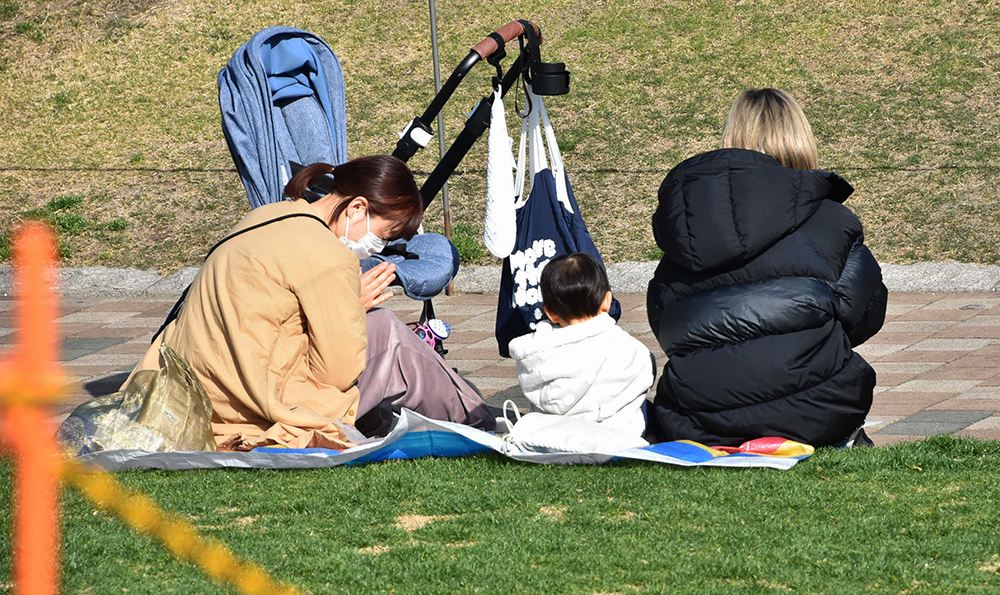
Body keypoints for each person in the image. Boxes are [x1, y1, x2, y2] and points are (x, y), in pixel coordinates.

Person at [128, 155, 494, 450]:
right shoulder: (329, 256)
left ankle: (453, 416)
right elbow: (337, 373)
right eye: (384, 235)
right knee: (386, 332)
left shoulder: (265, 215)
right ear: (357, 208)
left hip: (194, 389)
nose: (379, 248)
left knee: (377, 331)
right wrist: (353, 309)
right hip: (251, 402)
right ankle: (479, 423)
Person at [646, 88, 887, 448]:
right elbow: (864, 312)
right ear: (799, 137)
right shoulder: (831, 219)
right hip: (815, 410)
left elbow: (664, 318)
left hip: (697, 416)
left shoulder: (689, 223)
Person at [509, 253, 654, 437]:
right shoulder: (625, 346)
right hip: (617, 435)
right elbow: (644, 375)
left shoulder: (537, 351)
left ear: (550, 313)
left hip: (554, 435)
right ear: (607, 301)